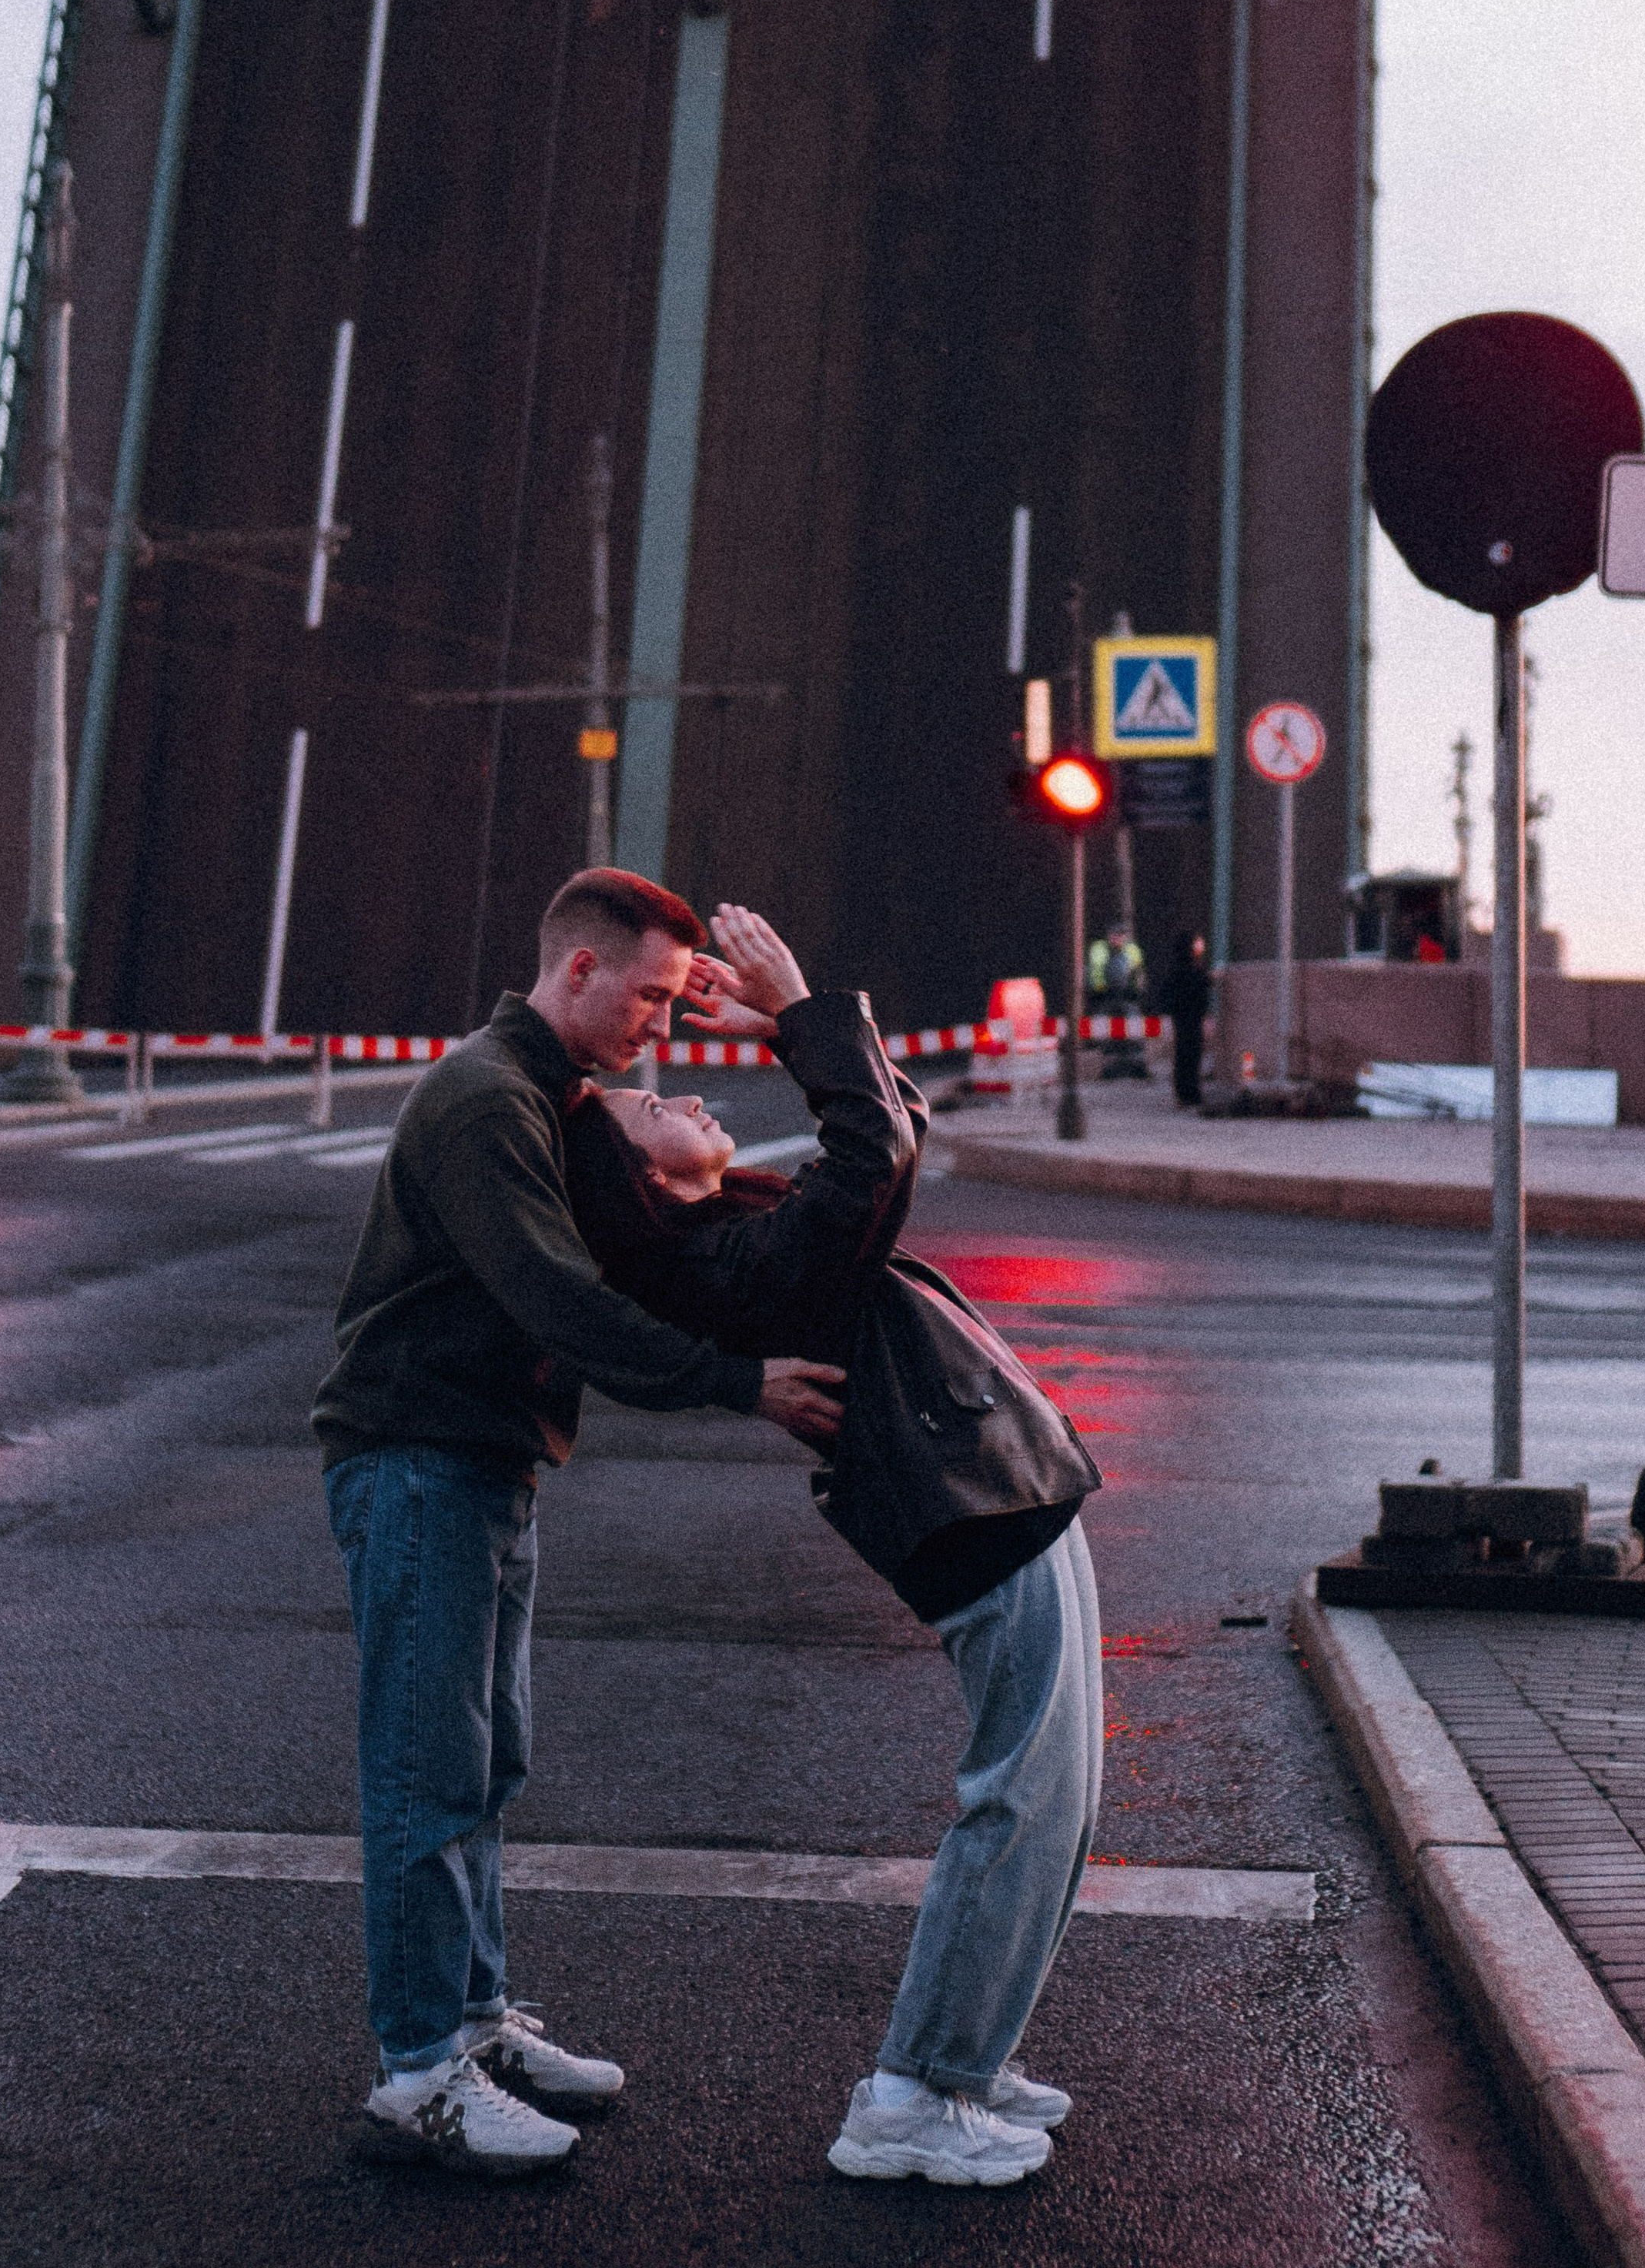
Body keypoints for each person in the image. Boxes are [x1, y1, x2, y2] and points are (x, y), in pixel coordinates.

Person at [312, 870, 846, 2178]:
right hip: (422, 1458)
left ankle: (477, 2023)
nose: (667, 1024)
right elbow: (558, 1295)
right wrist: (737, 1384)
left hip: (487, 1461)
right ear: (580, 974)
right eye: (654, 997)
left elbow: (671, 1167)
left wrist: (737, 1007)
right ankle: (419, 2072)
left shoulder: (557, 1090)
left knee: (485, 1766)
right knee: (427, 1775)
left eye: (679, 999)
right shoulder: (491, 1100)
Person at [564, 904, 1103, 2192]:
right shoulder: (719, 1268)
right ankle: (915, 2092)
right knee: (1019, 1798)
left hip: (1005, 1491)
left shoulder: (743, 1235)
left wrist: (812, 1038)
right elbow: (869, 1160)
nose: (682, 1093)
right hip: (963, 1510)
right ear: (642, 1185)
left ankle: (971, 2056)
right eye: (651, 1112)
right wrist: (803, 1016)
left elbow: (889, 1134)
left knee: (1061, 1798)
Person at [1155, 927, 1211, 1108]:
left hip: (1184, 1017)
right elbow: (1196, 987)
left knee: (1185, 1055)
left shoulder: (1180, 969)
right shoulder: (1189, 969)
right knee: (1190, 1055)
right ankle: (1189, 1093)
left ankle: (1185, 1093)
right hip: (1190, 1018)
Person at [1087, 922, 1149, 1078]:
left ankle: (1137, 1065)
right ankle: (1109, 1067)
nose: (1117, 939)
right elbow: (1093, 973)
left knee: (1134, 1028)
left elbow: (1139, 973)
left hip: (1128, 996)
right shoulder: (1099, 950)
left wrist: (1138, 991)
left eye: (1120, 935)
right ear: (1109, 936)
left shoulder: (1132, 950)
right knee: (1104, 1031)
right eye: (1114, 935)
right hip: (1104, 996)